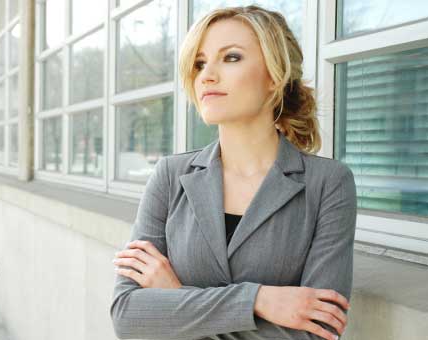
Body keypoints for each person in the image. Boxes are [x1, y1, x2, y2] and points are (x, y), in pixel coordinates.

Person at [109, 5, 357, 340]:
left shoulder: (328, 184)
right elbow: (129, 317)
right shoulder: (170, 176)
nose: (207, 75)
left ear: (274, 74)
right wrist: (258, 299)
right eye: (199, 63)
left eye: (231, 58)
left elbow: (318, 332)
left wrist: (175, 297)